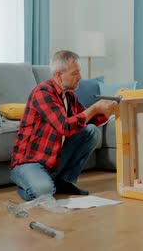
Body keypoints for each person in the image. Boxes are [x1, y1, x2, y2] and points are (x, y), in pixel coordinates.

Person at [9, 50, 117, 201]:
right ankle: (29, 183)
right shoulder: (43, 92)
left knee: (90, 131)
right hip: (29, 162)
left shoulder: (69, 95)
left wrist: (113, 107)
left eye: (79, 72)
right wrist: (95, 108)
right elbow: (64, 127)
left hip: (51, 161)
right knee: (44, 191)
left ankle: (64, 181)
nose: (80, 77)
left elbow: (87, 119)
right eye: (75, 73)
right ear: (59, 75)